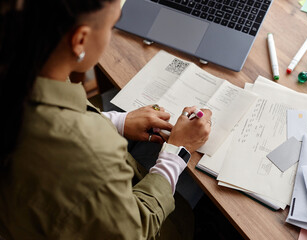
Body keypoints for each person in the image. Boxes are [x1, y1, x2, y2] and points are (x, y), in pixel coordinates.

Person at [0, 0, 212, 239]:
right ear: (80, 39)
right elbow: (136, 229)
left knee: (113, 99)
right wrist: (176, 152)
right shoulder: (89, 152)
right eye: (113, 26)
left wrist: (116, 121)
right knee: (201, 181)